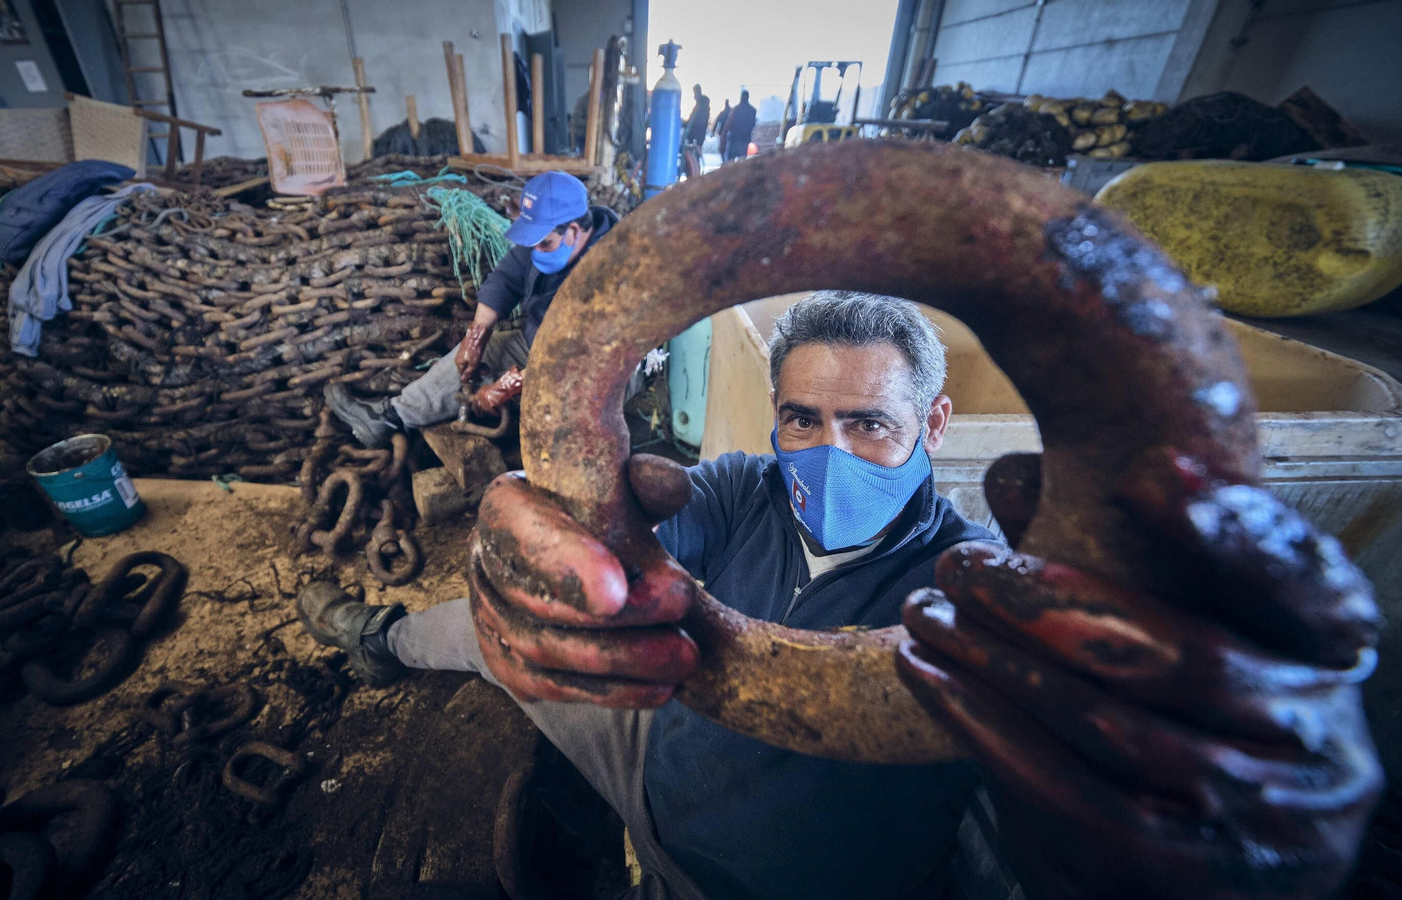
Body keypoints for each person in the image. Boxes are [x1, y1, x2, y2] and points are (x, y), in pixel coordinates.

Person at [300, 291, 1381, 900]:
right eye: (803, 419)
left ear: (936, 428)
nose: (827, 451)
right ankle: (380, 639)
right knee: (504, 639)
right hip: (650, 756)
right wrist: (541, 541)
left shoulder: (979, 595)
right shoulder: (738, 487)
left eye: (869, 423)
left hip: (759, 883)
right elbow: (593, 544)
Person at [324, 171, 642, 447]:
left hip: (598, 372)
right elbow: (507, 277)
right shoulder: (549, 236)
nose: (536, 252)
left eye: (544, 244)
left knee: (564, 407)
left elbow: (578, 358)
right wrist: (476, 337)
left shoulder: (612, 273)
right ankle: (390, 418)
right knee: (485, 351)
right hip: (539, 344)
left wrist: (507, 386)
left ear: (574, 230)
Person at [724, 90, 757, 162]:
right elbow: (753, 124)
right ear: (748, 97)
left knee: (730, 163)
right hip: (745, 140)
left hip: (734, 139)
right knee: (741, 163)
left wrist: (724, 135)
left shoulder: (735, 109)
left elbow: (729, 123)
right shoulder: (752, 110)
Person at [684, 84, 711, 148]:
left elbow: (695, 120)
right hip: (699, 133)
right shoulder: (700, 105)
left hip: (696, 133)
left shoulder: (700, 105)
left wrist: (685, 124)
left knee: (691, 150)